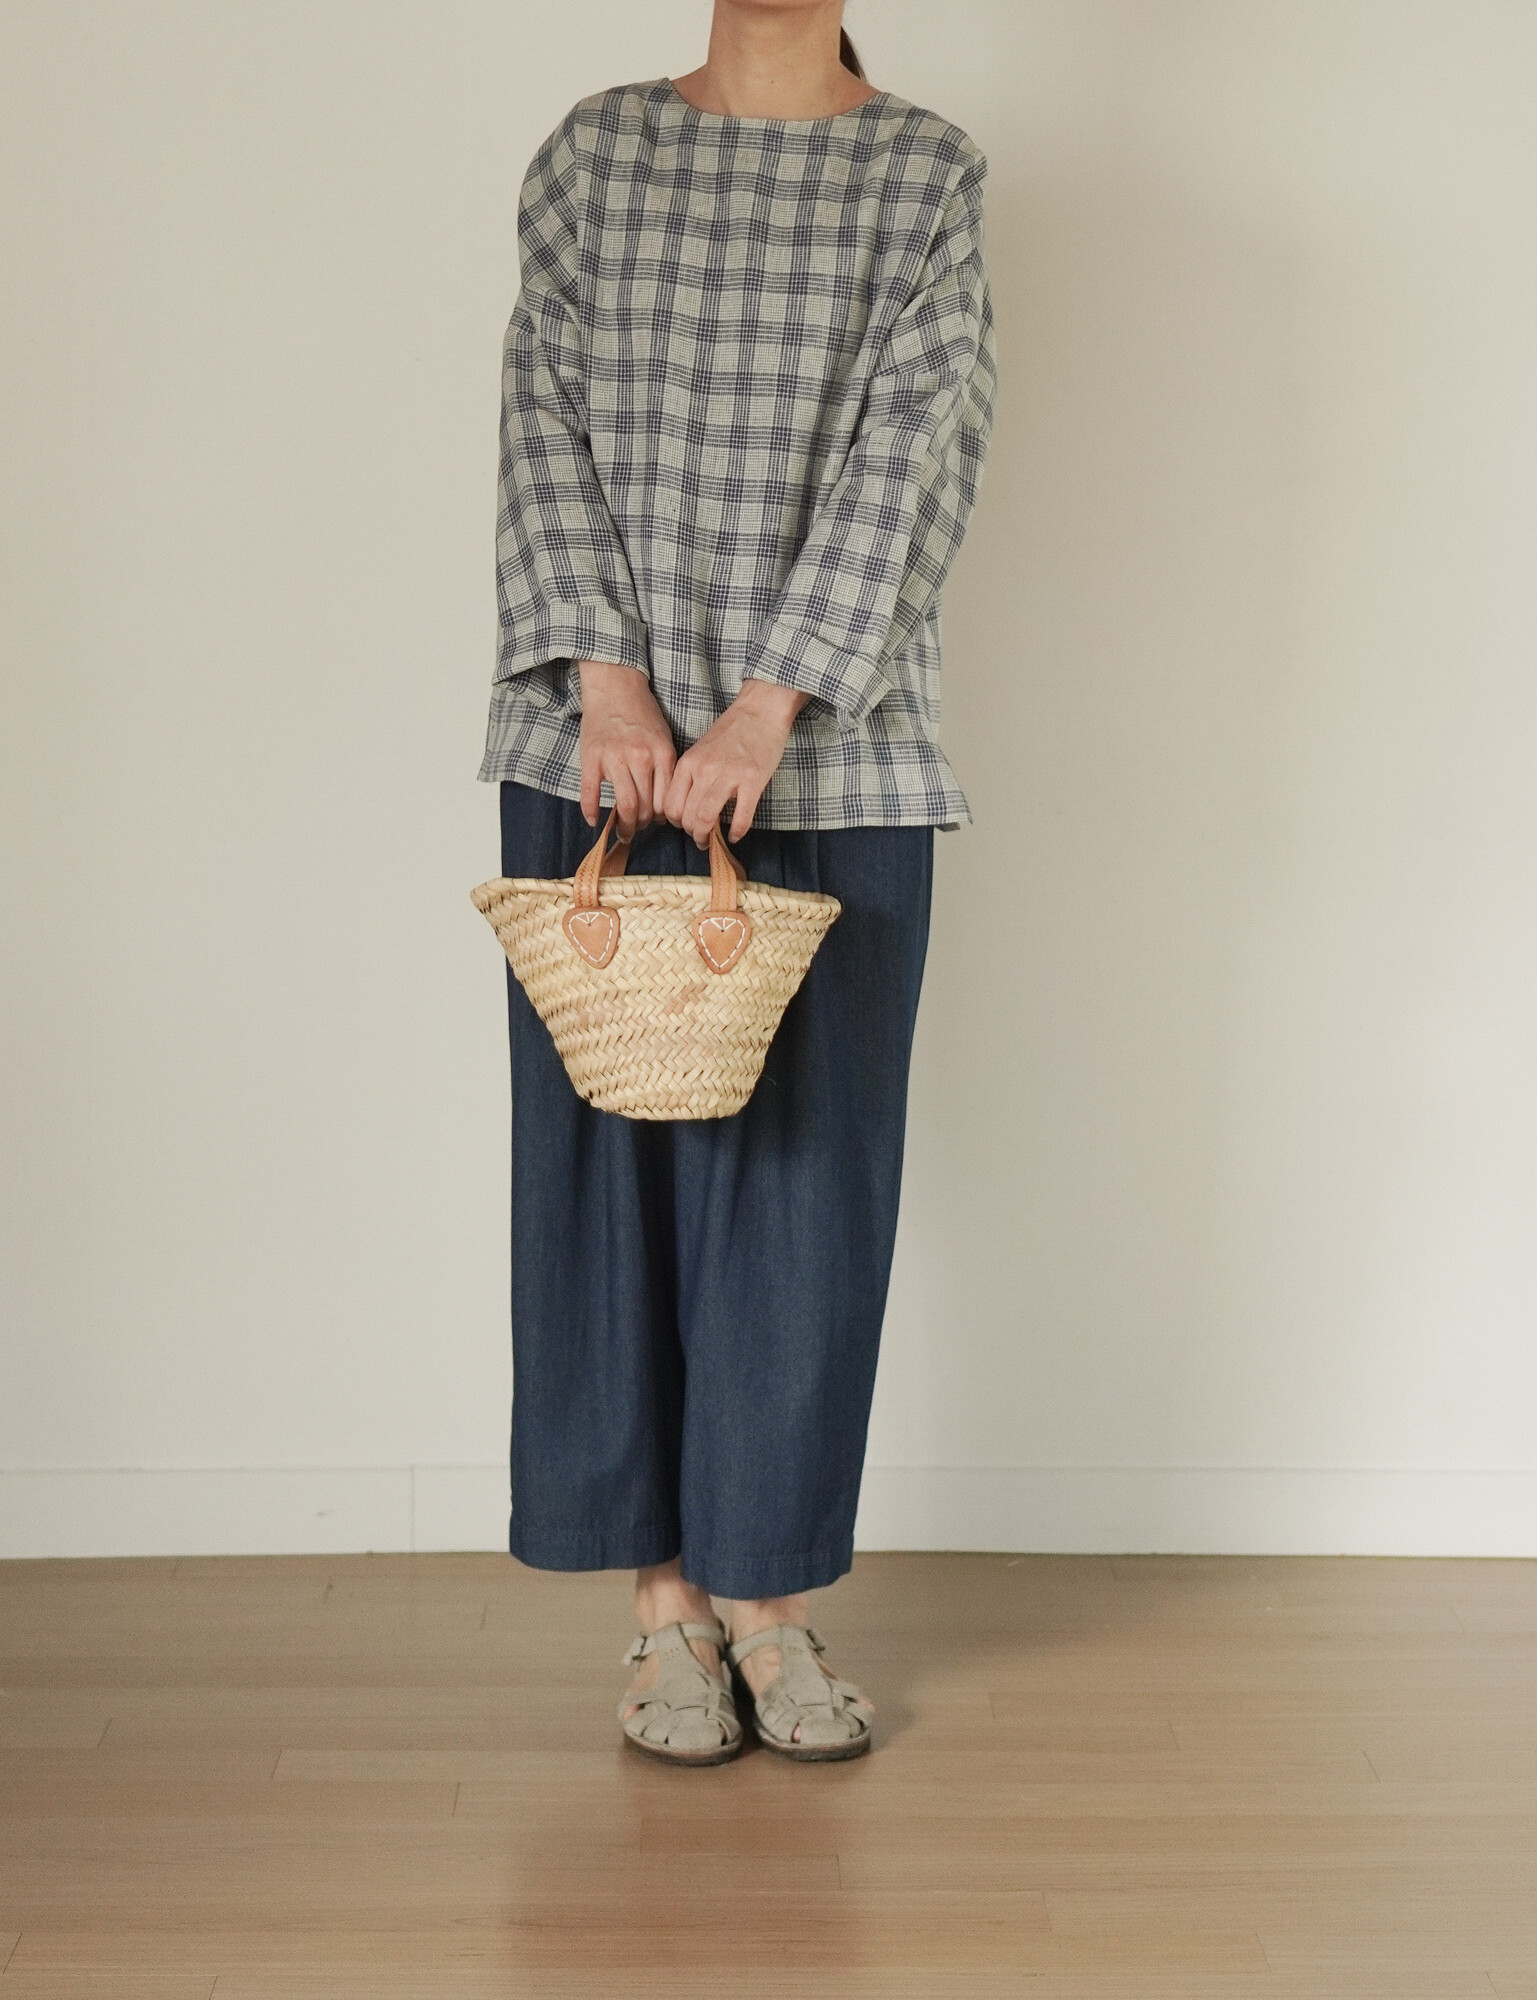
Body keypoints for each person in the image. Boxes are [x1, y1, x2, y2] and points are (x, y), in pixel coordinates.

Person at [477, 0, 996, 1763]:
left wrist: (771, 705)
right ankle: (665, 1613)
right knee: (607, 1185)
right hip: (601, 757)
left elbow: (918, 456)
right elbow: (540, 419)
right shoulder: (595, 150)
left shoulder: (925, 174)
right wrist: (610, 682)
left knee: (807, 1187)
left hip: (834, 752)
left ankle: (769, 1607)